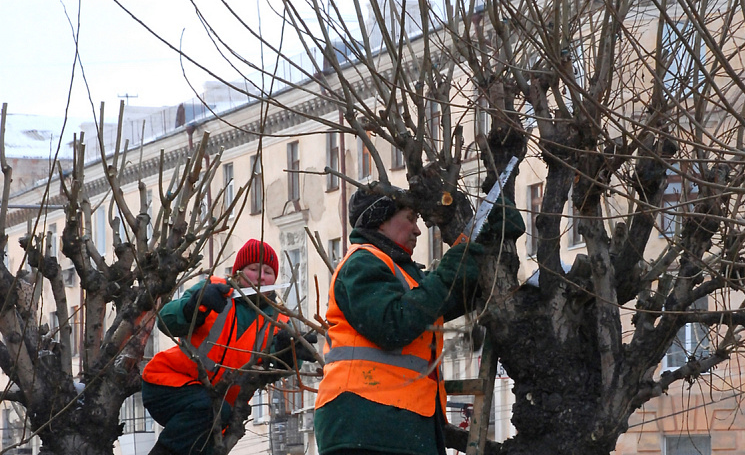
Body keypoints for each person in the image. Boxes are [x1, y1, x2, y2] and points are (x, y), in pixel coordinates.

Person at [314, 188, 519, 455]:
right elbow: (393, 324)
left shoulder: (403, 274)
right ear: (380, 221)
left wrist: (493, 244)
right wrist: (448, 274)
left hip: (393, 423)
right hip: (368, 422)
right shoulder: (361, 263)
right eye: (410, 218)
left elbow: (438, 303)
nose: (418, 230)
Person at [142, 238, 315, 455]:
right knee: (210, 410)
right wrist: (195, 306)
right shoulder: (213, 291)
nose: (261, 276)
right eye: (254, 269)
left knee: (209, 442)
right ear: (238, 272)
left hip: (217, 410)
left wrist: (289, 354)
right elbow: (165, 320)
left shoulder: (279, 321)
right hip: (168, 383)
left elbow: (279, 368)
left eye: (268, 272)